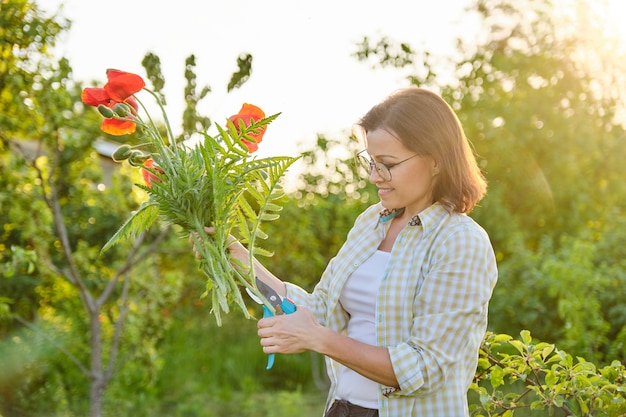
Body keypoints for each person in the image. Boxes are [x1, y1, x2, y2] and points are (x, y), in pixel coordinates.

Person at [220, 87, 498, 416]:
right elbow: (319, 309)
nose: (373, 177)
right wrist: (236, 256)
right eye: (370, 162)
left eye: (388, 164)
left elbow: (425, 369)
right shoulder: (371, 222)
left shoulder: (460, 241)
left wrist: (318, 340)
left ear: (435, 160)